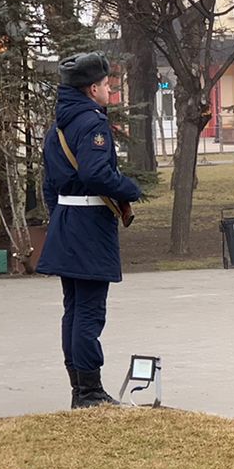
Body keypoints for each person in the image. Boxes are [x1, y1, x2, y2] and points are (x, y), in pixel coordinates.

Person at [34, 51, 143, 408]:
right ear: (92, 88)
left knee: (74, 308)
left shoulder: (60, 124)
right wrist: (129, 189)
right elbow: (95, 174)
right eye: (108, 85)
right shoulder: (92, 123)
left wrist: (62, 216)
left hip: (67, 222)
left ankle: (80, 389)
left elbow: (50, 184)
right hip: (89, 226)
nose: (111, 91)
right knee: (90, 312)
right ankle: (91, 392)